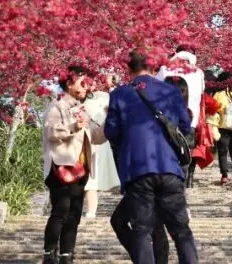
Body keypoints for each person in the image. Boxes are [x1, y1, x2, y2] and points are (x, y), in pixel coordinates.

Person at [106, 51, 199, 264]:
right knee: (181, 230)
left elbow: (111, 132)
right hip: (169, 168)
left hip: (137, 169)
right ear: (155, 69)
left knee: (141, 230)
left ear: (128, 69)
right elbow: (185, 126)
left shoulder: (119, 94)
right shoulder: (170, 91)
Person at [42, 66, 105, 264]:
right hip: (60, 167)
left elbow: (94, 137)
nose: (87, 86)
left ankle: (66, 254)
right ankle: (49, 253)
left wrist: (109, 124)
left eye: (88, 83)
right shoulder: (57, 107)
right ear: (69, 84)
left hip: (80, 168)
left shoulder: (82, 108)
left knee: (75, 212)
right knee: (61, 210)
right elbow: (51, 133)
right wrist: (72, 126)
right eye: (82, 82)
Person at [156, 46, 204, 187]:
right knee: (186, 150)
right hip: (190, 117)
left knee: (166, 151)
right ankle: (183, 180)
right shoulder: (199, 72)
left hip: (166, 118)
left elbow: (156, 87)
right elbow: (202, 92)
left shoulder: (165, 69)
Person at [83, 73, 121, 219]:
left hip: (99, 140)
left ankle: (91, 211)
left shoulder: (104, 96)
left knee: (93, 178)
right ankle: (85, 210)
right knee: (85, 178)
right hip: (82, 140)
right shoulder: (77, 99)